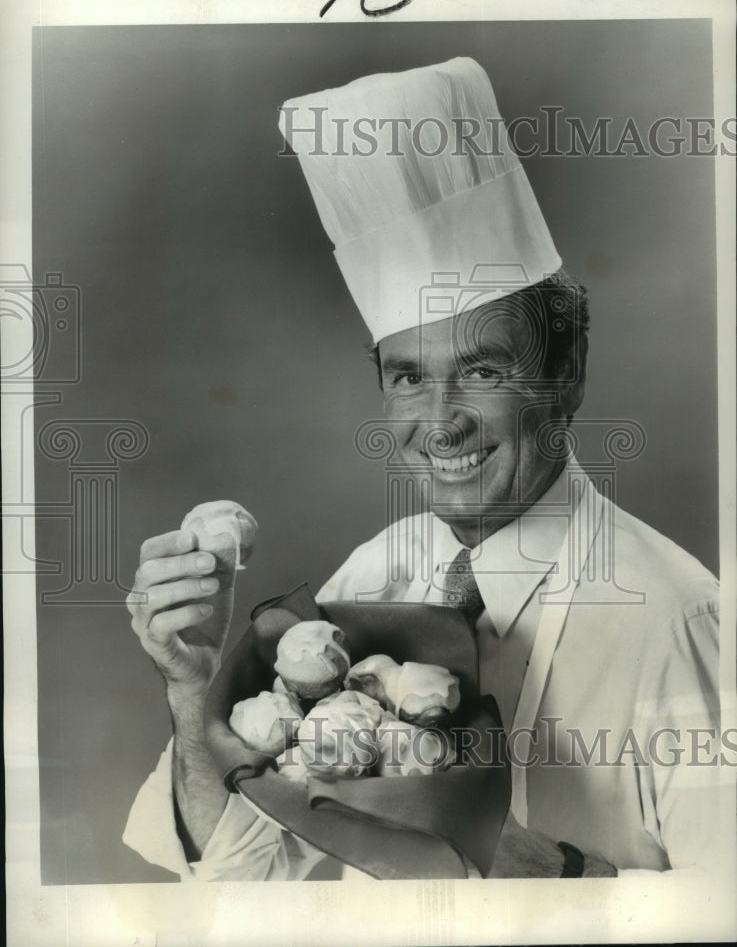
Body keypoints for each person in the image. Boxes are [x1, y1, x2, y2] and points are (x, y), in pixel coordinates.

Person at [123, 58, 722, 881]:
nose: (440, 423)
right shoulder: (374, 577)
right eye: (408, 376)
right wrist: (194, 693)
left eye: (481, 371)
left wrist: (531, 870)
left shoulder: (680, 624)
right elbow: (240, 876)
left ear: (567, 369)